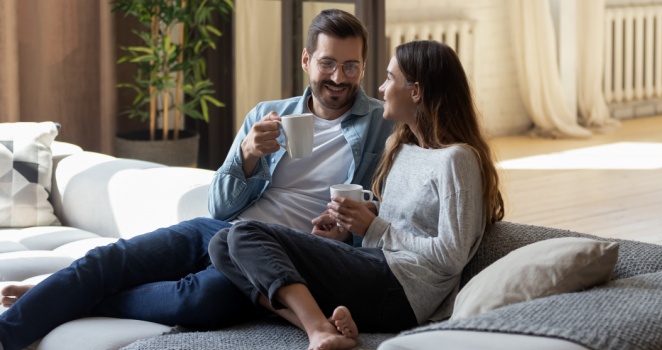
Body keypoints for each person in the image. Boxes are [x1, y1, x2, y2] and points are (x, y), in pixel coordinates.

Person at [0, 9, 394, 350]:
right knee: (111, 258)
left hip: (277, 260)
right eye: (328, 63)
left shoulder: (383, 124)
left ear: (363, 65)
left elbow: (386, 214)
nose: (339, 77)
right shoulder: (268, 114)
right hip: (221, 230)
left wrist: (347, 234)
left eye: (351, 65)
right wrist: (247, 155)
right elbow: (218, 206)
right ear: (307, 60)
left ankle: (67, 297)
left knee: (198, 300)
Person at [208, 40, 506, 350]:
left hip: (404, 291)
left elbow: (451, 256)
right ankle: (321, 325)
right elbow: (405, 221)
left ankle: (318, 328)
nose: (380, 88)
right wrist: (355, 221)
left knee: (244, 233)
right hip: (375, 269)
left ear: (415, 91)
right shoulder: (404, 149)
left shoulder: (457, 160)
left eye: (390, 78)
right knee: (221, 244)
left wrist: (373, 228)